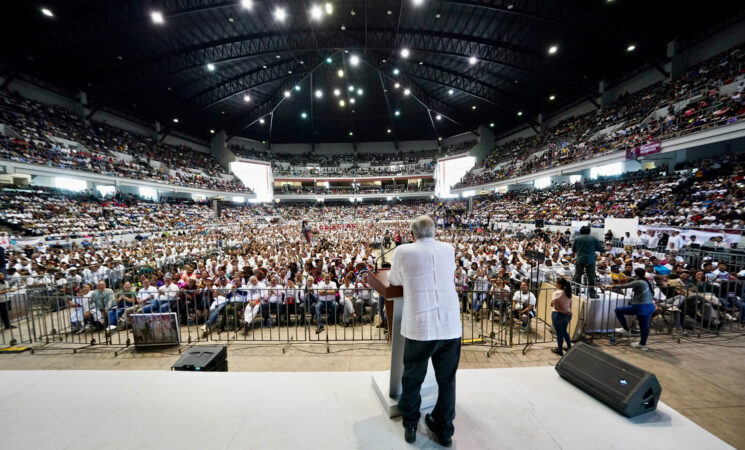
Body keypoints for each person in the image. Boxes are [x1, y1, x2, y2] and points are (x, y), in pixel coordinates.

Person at [388, 215, 461, 447]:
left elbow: (393, 279)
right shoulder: (448, 249)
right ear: (435, 232)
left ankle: (410, 425)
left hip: (421, 326)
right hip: (450, 325)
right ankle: (445, 430)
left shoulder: (403, 251)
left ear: (412, 235)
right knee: (447, 381)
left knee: (413, 378)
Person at [611, 267, 656, 351]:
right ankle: (643, 344)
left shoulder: (639, 282)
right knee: (644, 327)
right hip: (650, 306)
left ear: (636, 274)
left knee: (618, 310)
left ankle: (626, 329)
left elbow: (624, 286)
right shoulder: (649, 282)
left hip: (641, 307)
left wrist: (612, 286)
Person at [572, 226, 604, 297]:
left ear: (581, 231)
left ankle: (576, 291)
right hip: (590, 259)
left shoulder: (577, 238)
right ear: (589, 231)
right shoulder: (594, 238)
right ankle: (592, 293)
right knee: (591, 276)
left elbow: (573, 250)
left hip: (580, 259)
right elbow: (601, 249)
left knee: (578, 275)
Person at [550, 277, 573, 356]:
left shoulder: (556, 293)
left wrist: (564, 312)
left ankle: (559, 350)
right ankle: (569, 347)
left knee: (559, 333)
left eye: (556, 283)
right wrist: (568, 312)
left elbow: (556, 308)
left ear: (559, 285)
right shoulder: (569, 293)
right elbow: (569, 304)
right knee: (564, 331)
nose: (555, 284)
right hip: (567, 315)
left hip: (558, 315)